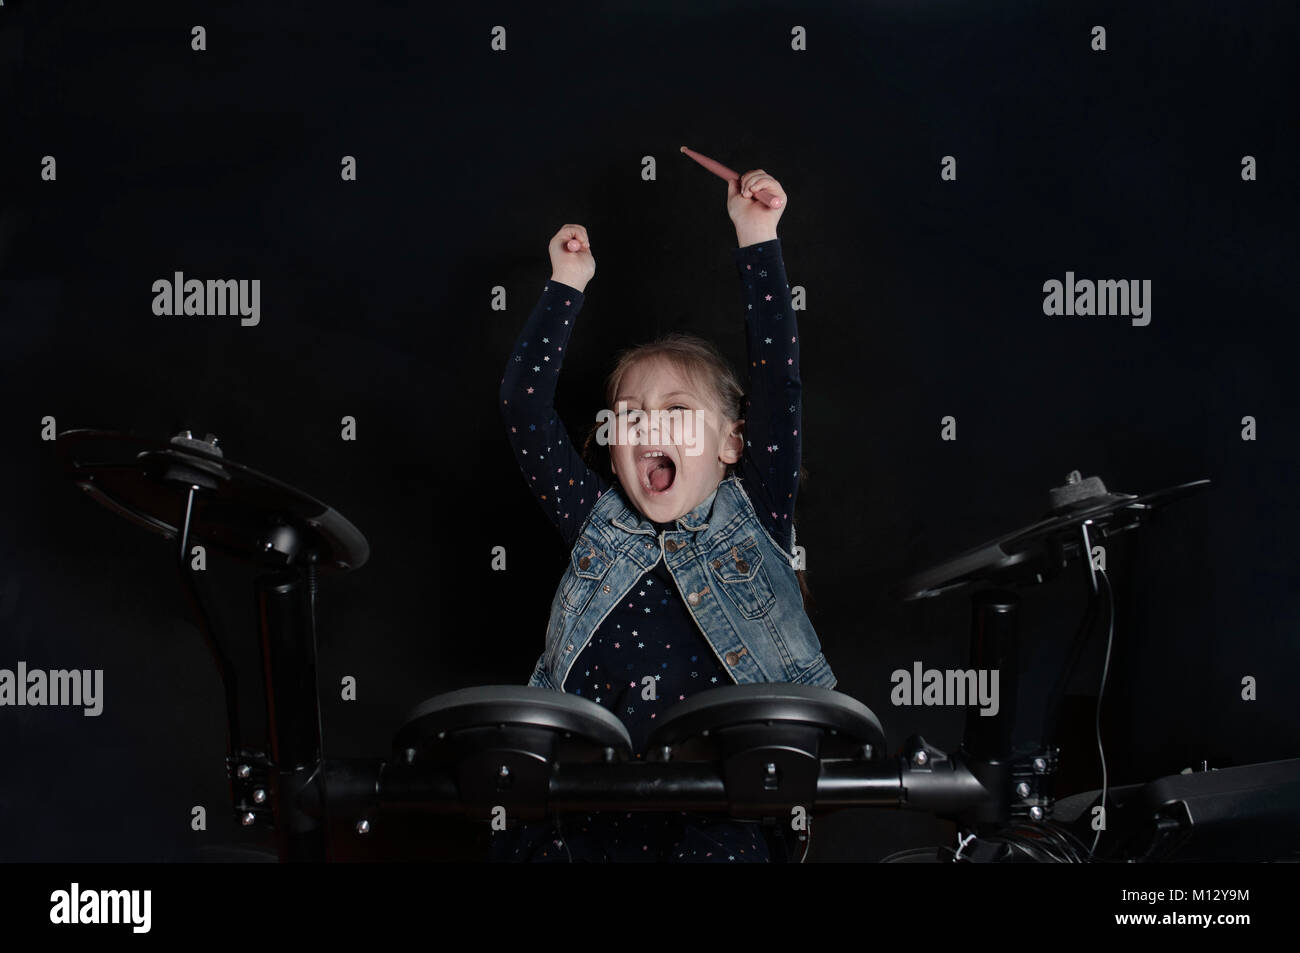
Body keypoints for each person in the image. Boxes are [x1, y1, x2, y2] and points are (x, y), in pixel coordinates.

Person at [492, 167, 834, 862]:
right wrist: (565, 286)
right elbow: (523, 407)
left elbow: (777, 379)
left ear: (731, 442)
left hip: (718, 812)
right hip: (584, 806)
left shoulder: (755, 511)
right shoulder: (597, 520)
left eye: (678, 413)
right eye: (633, 417)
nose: (652, 430)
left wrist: (756, 233)